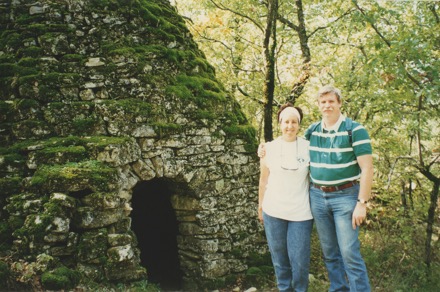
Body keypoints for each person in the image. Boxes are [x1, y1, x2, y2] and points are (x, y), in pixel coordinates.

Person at [259, 85, 373, 292]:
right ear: (319, 105)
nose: (327, 105)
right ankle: (338, 288)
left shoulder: (355, 130)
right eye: (323, 102)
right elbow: (287, 147)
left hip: (346, 197)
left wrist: (362, 203)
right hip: (318, 198)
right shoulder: (314, 131)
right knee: (329, 251)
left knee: (349, 252)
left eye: (331, 101)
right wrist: (263, 149)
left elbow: (367, 168)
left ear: (339, 103)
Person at [259, 103, 313, 292]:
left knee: (299, 261)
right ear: (280, 123)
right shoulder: (268, 148)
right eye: (286, 122)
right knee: (280, 259)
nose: (289, 126)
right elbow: (263, 180)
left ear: (299, 124)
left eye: (294, 122)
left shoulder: (309, 147)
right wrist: (260, 206)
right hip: (273, 211)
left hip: (301, 213)